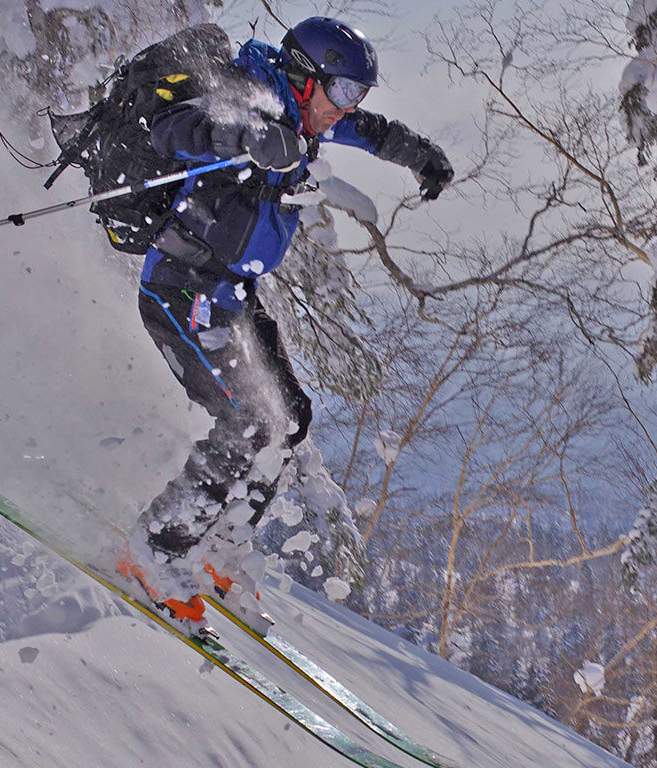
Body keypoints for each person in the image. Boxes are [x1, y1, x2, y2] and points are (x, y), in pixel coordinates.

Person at [116, 16, 454, 624]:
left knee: (290, 418)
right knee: (247, 423)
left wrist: (422, 157)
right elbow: (173, 128)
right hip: (180, 288)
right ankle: (155, 549)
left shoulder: (309, 116)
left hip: (230, 296)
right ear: (306, 75)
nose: (348, 107)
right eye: (343, 90)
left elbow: (372, 132)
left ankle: (218, 548)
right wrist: (247, 137)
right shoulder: (245, 94)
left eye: (358, 93)